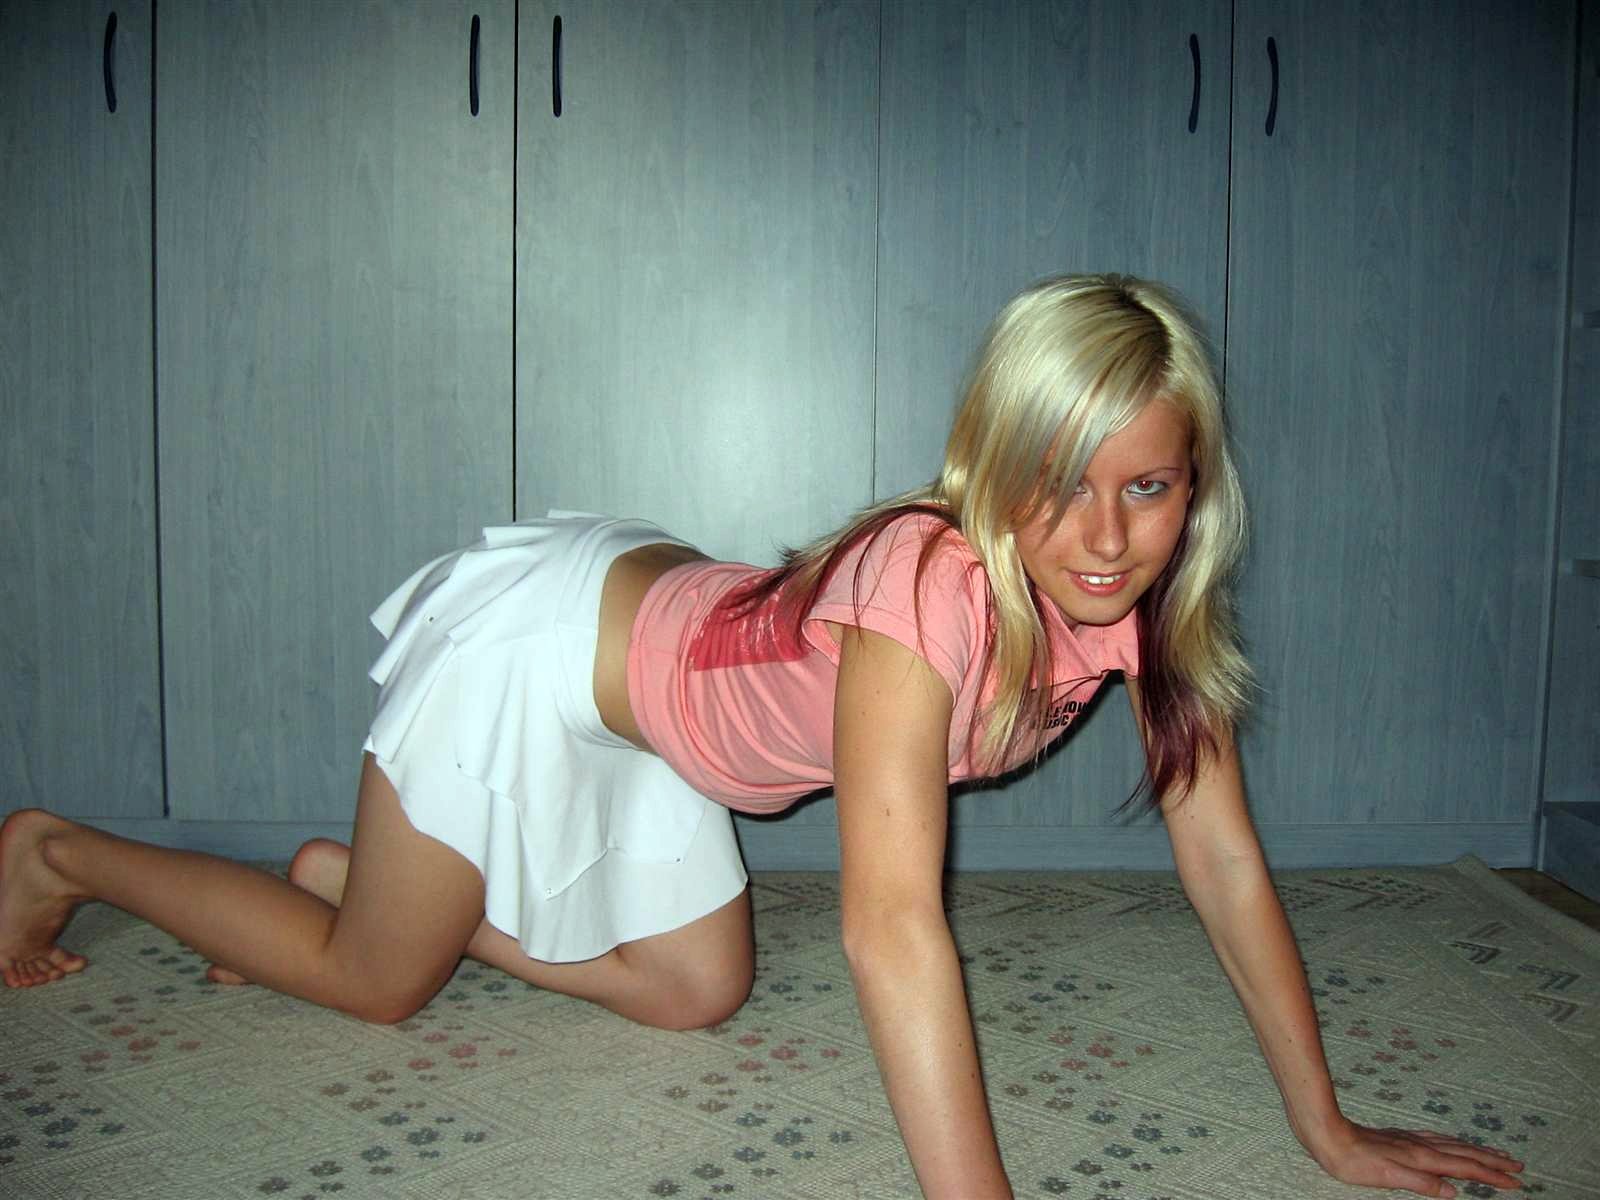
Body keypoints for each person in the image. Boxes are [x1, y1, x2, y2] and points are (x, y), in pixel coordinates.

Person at [1, 275, 1524, 1199]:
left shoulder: (1151, 608)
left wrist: (1326, 1128)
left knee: (697, 991)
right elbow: (890, 927)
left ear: (1195, 485)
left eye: (1149, 486)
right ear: (989, 467)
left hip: (674, 682)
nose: (1108, 537)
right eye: (1061, 482)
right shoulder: (929, 588)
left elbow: (1227, 865)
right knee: (374, 986)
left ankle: (377, 878)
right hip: (548, 649)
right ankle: (58, 852)